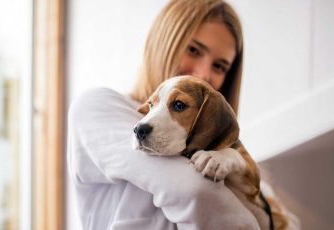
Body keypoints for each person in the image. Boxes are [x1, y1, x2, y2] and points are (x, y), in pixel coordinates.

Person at [68, 0, 292, 230]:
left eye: (219, 66)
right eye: (194, 50)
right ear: (163, 42)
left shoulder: (227, 157)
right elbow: (195, 192)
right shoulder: (98, 106)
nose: (204, 73)